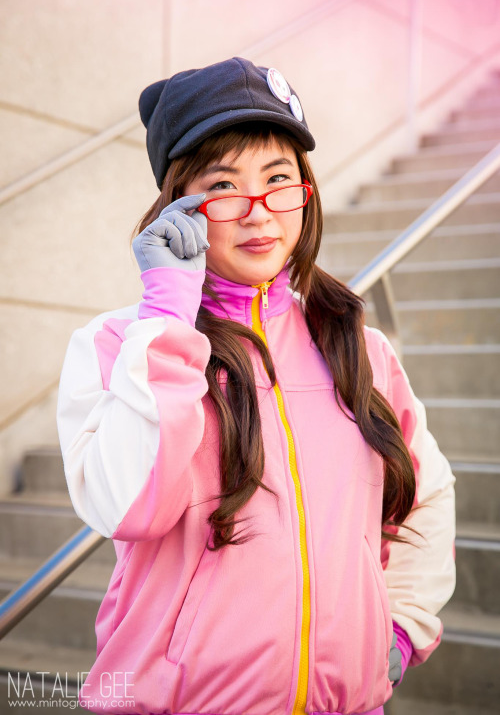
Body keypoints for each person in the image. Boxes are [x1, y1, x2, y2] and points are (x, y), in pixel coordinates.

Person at [56, 56, 456, 715]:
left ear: (306, 188)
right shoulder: (118, 346)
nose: (259, 213)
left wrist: (401, 625)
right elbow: (127, 505)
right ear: (178, 207)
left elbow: (426, 493)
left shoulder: (360, 350)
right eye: (224, 187)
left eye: (279, 180)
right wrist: (166, 320)